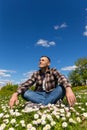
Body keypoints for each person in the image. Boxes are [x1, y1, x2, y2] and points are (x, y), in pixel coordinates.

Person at [9, 56, 76, 108]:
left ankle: (39, 106)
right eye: (40, 60)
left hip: (52, 94)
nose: (40, 61)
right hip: (39, 95)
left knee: (62, 87)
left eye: (43, 60)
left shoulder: (53, 70)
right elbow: (27, 83)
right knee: (24, 92)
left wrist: (68, 88)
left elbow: (62, 77)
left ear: (48, 63)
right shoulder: (36, 73)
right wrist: (15, 93)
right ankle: (51, 104)